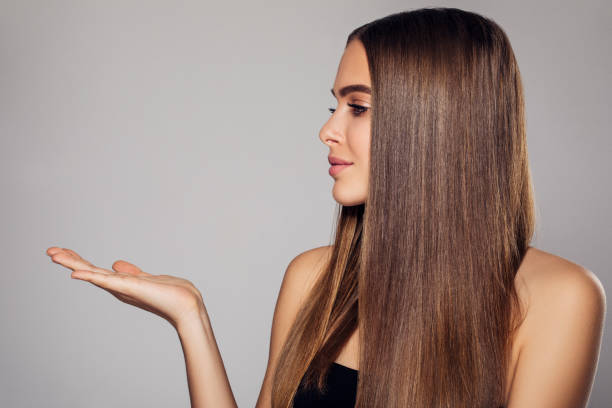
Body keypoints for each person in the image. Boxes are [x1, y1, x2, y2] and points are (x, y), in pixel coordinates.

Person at [45, 7, 606, 408]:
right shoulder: (315, 276)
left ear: (434, 123)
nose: (327, 130)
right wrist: (190, 317)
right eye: (334, 105)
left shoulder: (558, 298)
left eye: (357, 107)